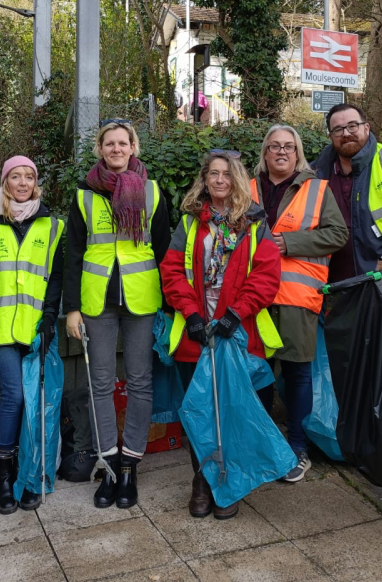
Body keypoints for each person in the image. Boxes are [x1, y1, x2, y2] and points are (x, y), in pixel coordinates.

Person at [160, 150, 282, 520]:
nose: (219, 181)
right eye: (212, 174)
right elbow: (171, 271)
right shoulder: (190, 223)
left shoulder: (255, 224)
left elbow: (266, 275)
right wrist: (192, 314)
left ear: (238, 180)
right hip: (197, 335)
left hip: (237, 332)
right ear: (204, 179)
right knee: (199, 412)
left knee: (231, 410)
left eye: (226, 175)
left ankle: (229, 483)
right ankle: (202, 481)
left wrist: (235, 314)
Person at [64, 119, 171, 509]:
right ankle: (108, 465)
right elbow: (73, 254)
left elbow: (162, 252)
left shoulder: (153, 192)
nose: (116, 149)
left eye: (122, 143)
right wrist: (71, 309)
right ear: (100, 149)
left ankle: (131, 466)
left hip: (141, 299)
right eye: (109, 143)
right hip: (97, 302)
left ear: (133, 147)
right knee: (101, 384)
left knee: (141, 382)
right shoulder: (84, 196)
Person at [251, 125, 348, 482]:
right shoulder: (246, 187)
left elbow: (337, 234)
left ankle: (297, 448)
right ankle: (260, 444)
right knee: (257, 372)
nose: (281, 152)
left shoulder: (317, 189)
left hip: (295, 297)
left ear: (298, 153)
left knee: (297, 374)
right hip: (252, 298)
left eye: (288, 147)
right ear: (264, 152)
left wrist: (289, 244)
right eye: (274, 146)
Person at [0, 156, 64, 514]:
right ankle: (4, 476)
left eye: (29, 176)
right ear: (4, 182)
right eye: (16, 176)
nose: (23, 182)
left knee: (36, 399)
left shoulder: (52, 225)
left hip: (35, 326)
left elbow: (56, 276)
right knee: (14, 394)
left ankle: (31, 474)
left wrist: (49, 319)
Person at [312, 103, 382, 283]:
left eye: (353, 126)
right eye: (338, 129)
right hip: (328, 283)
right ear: (330, 136)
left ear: (367, 128)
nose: (346, 133)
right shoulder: (316, 173)